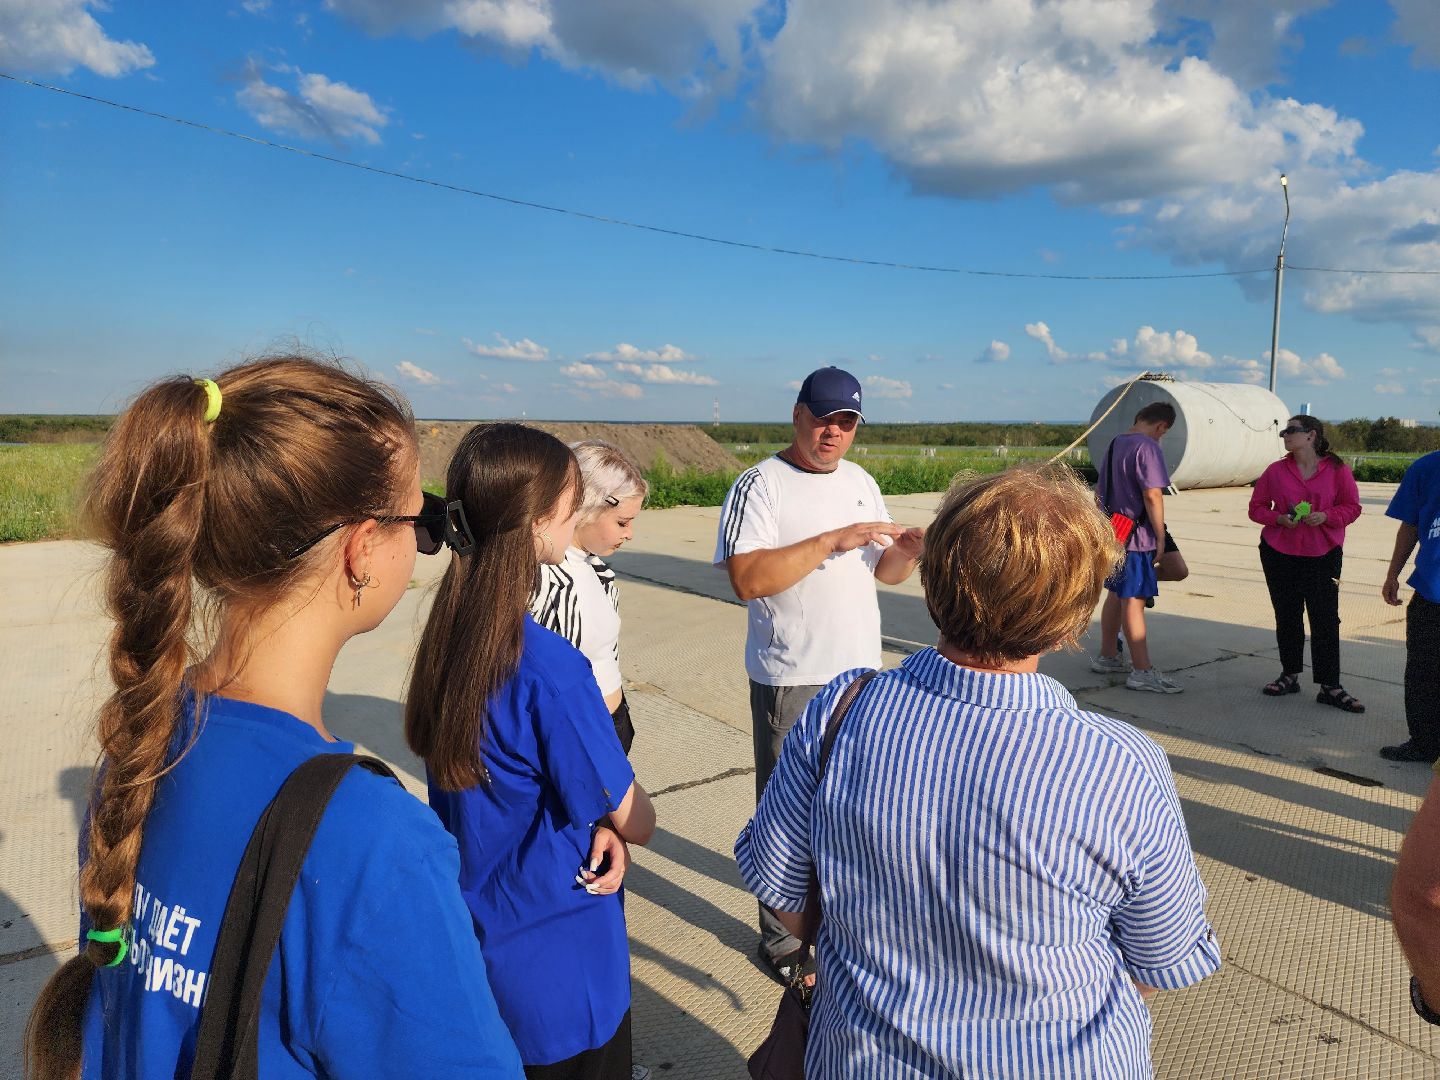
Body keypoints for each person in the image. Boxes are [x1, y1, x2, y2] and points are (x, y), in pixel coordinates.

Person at [25, 357, 523, 1080]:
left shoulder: (138, 746)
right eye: (421, 521)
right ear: (361, 550)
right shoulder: (372, 840)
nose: (425, 542)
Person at [735, 466, 1220, 1078]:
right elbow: (1161, 955)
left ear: (934, 586)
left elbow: (785, 896)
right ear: (1075, 616)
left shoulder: (841, 709)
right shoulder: (1121, 763)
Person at [406, 423, 656, 1080]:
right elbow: (638, 819)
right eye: (572, 501)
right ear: (541, 522)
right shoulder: (551, 671)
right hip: (564, 969)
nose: (581, 514)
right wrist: (615, 819)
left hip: (488, 947)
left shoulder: (448, 639)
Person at [713, 367, 924, 986]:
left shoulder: (862, 481)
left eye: (847, 422)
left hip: (860, 676)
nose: (833, 431)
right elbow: (747, 579)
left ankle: (833, 921)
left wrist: (906, 549)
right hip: (793, 676)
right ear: (798, 414)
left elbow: (884, 574)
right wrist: (832, 539)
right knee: (786, 809)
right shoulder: (761, 486)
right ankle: (781, 941)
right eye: (824, 417)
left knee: (849, 807)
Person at [530, 440, 648, 754]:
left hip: (612, 722)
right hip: (574, 734)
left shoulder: (598, 572)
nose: (630, 533)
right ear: (584, 509)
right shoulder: (540, 578)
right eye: (622, 522)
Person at [1247, 415, 1364, 712]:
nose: (1285, 435)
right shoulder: (1275, 471)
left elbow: (1352, 508)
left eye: (1291, 431)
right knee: (1287, 614)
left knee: (1325, 618)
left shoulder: (1337, 470)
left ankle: (1330, 685)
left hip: (1323, 553)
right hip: (1279, 551)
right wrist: (1278, 518)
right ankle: (1290, 675)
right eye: (1284, 431)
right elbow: (1256, 508)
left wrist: (1327, 516)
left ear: (1311, 435)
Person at [1091, 402, 1183, 692]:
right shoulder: (1148, 447)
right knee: (1133, 599)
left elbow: (1099, 491)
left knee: (1119, 592)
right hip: (1138, 535)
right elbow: (1153, 495)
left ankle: (1108, 655)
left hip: (1116, 528)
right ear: (1161, 427)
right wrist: (1158, 536)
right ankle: (1142, 671)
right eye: (1163, 433)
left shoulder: (1117, 443)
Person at [1379, 449, 1440, 761]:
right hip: (1432, 593)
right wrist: (1393, 574)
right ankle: (1425, 743)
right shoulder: (1426, 468)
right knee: (1423, 674)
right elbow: (1411, 526)